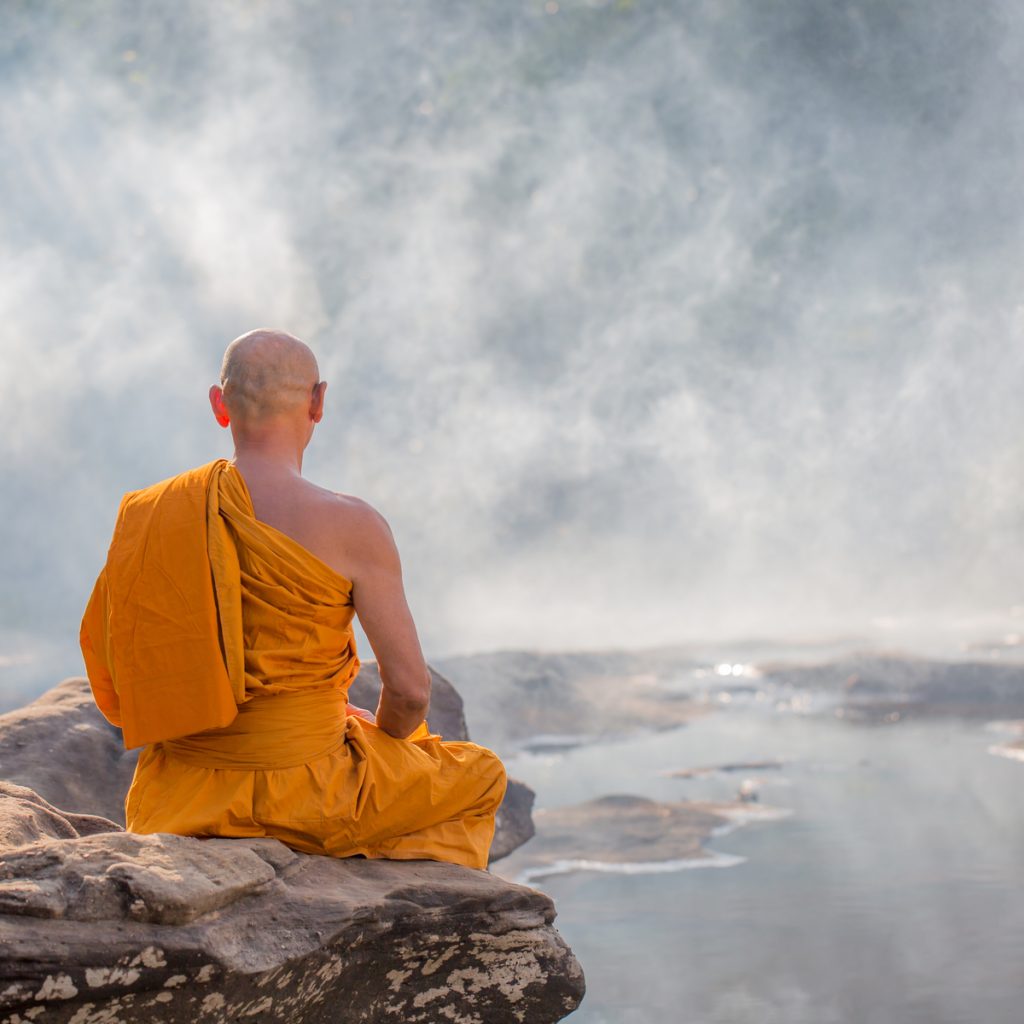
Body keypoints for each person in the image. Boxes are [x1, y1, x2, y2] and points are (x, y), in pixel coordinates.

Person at [79, 329, 506, 870]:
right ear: (318, 401)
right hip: (312, 794)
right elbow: (410, 694)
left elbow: (118, 674)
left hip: (180, 798)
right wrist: (377, 742)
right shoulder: (354, 525)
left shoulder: (152, 513)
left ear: (219, 405)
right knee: (480, 774)